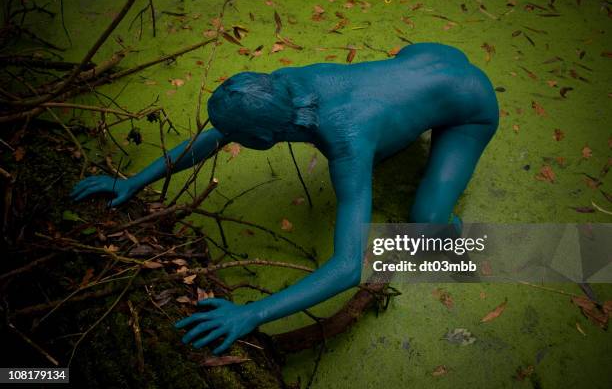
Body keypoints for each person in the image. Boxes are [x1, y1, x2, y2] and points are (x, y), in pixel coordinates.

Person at [71, 42, 499, 354]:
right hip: (427, 56)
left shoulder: (348, 143)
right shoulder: (282, 85)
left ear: (260, 141)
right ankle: (405, 128)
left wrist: (251, 313)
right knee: (384, 126)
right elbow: (213, 136)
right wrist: (132, 182)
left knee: (426, 223)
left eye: (236, 139)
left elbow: (349, 267)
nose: (223, 141)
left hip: (471, 102)